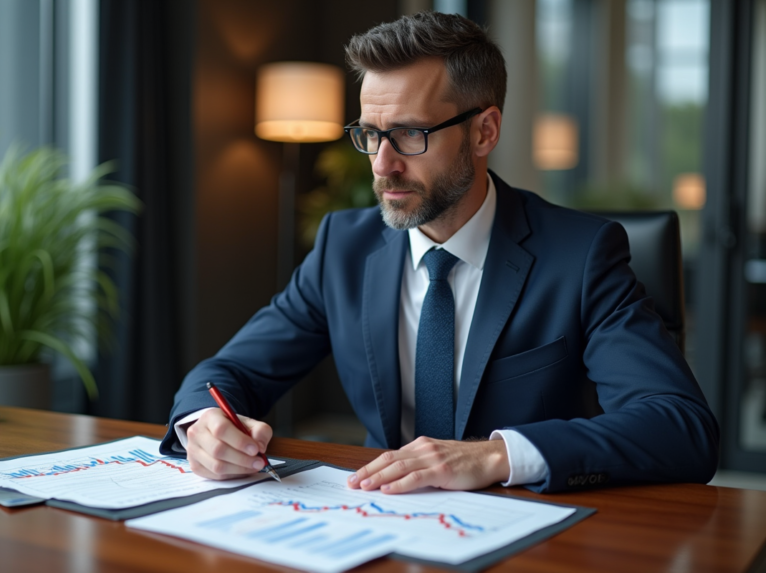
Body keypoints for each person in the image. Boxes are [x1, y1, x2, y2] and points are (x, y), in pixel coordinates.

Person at [160, 11, 719, 493]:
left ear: (484, 132)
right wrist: (204, 424)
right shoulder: (343, 248)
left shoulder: (582, 255)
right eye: (370, 134)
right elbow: (230, 371)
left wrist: (494, 455)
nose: (382, 165)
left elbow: (679, 425)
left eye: (409, 134)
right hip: (370, 523)